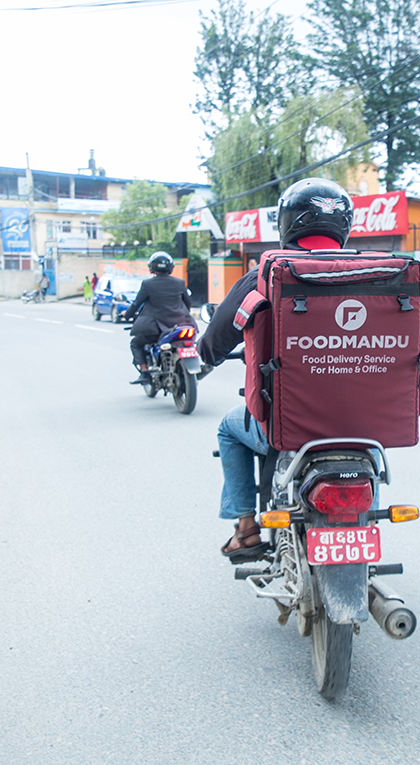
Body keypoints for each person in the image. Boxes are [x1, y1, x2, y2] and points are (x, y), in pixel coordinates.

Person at [199, 178, 354, 563]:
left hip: (286, 425)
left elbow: (214, 343)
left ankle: (247, 527)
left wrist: (209, 356)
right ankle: (360, 523)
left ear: (288, 223)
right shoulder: (381, 272)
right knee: (362, 449)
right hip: (363, 424)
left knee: (228, 429)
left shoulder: (265, 275)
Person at [124, 252, 195, 385]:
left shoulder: (147, 284)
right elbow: (188, 303)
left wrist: (127, 315)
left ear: (152, 267)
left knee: (135, 343)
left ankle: (145, 373)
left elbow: (136, 304)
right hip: (181, 325)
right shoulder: (180, 282)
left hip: (157, 329)